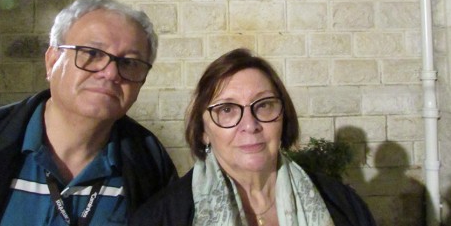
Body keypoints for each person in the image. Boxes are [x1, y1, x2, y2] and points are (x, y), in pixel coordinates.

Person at [0, 0, 177, 225]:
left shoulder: (150, 166)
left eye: (129, 63)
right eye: (92, 53)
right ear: (51, 61)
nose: (110, 73)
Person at [131, 48, 376, 226]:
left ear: (284, 117)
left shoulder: (342, 205)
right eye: (226, 109)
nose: (250, 125)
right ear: (203, 131)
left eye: (264, 105)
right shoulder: (160, 218)